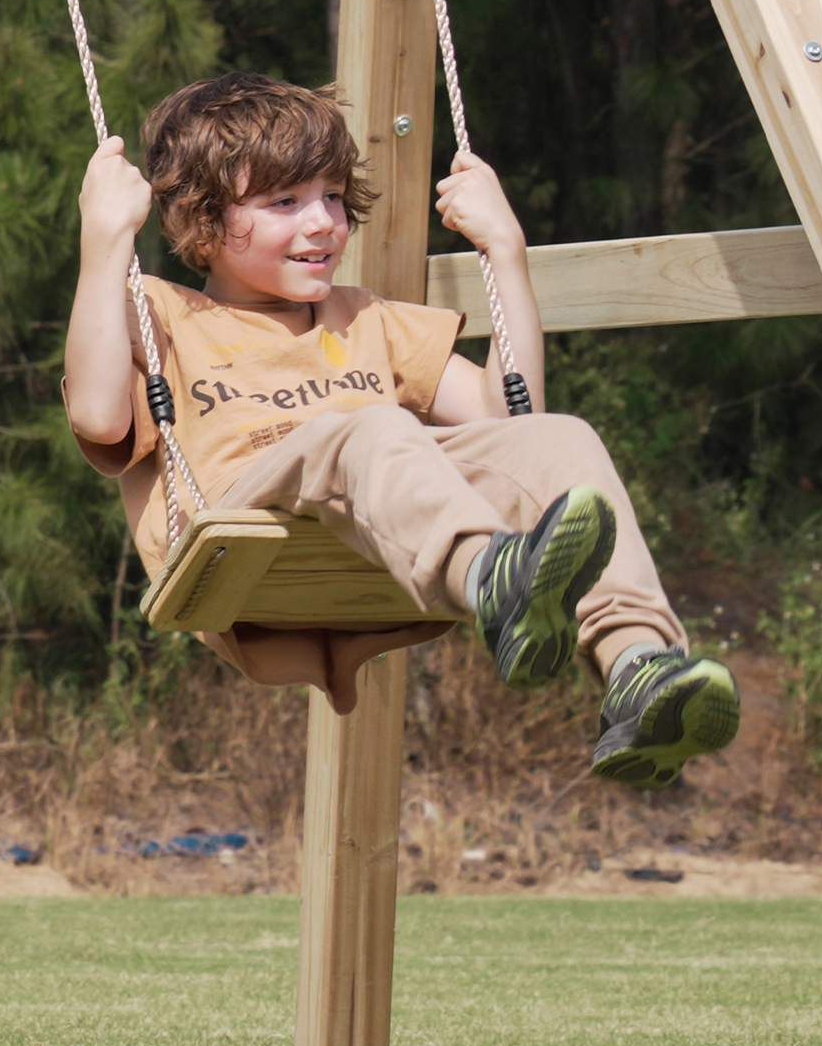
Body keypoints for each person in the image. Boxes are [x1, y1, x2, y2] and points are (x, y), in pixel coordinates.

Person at [61, 70, 741, 784]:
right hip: (241, 529)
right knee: (370, 427)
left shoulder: (368, 319)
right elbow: (100, 415)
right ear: (202, 220)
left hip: (373, 525)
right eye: (285, 202)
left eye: (331, 196)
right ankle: (491, 579)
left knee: (561, 438)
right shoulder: (162, 314)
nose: (322, 222)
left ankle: (637, 668)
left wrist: (505, 252)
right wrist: (105, 240)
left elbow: (512, 426)